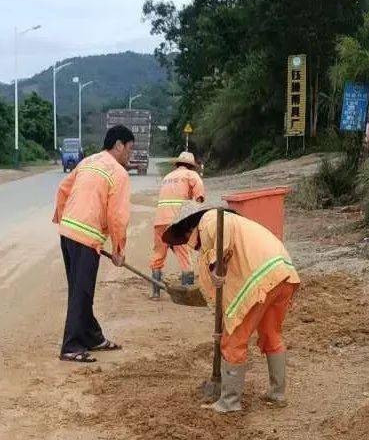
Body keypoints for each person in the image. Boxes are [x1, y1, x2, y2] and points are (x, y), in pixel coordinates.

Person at [162, 201, 300, 413]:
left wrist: (217, 267)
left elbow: (220, 244)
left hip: (261, 279)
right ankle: (277, 394)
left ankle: (229, 402)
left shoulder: (210, 220)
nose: (194, 246)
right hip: (283, 274)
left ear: (190, 228)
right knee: (270, 334)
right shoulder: (237, 224)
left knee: (233, 340)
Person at [52, 124, 134, 363]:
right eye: (129, 149)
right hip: (85, 236)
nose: (129, 155)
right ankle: (71, 346)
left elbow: (63, 189)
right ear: (118, 145)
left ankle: (92, 337)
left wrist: (62, 217)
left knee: (80, 290)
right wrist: (119, 249)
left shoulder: (88, 161)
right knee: (82, 291)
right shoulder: (118, 173)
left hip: (68, 233)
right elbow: (117, 216)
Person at [150, 151, 205, 298]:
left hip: (160, 221)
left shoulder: (167, 177)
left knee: (158, 255)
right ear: (191, 166)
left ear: (178, 164)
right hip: (175, 223)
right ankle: (188, 290)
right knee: (184, 256)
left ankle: (155, 293)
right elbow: (199, 198)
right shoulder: (191, 175)